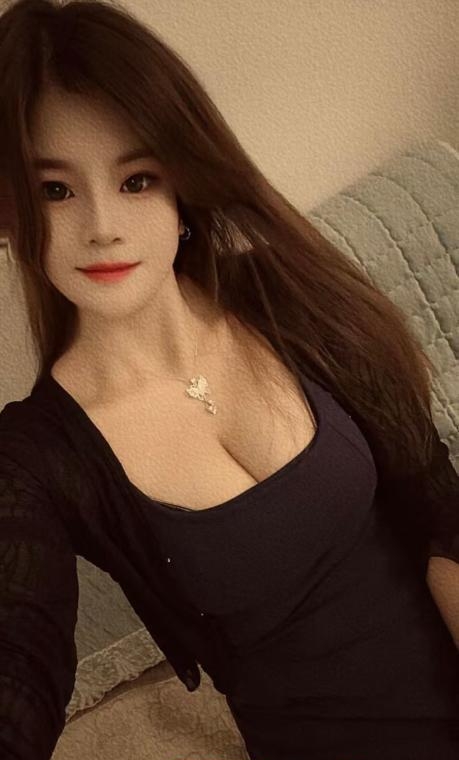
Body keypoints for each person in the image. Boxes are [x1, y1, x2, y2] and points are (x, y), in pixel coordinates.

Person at [0, 2, 458, 759]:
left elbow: (437, 502)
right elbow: (19, 662)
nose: (102, 224)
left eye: (137, 179)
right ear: (12, 209)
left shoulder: (287, 294)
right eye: (56, 190)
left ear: (182, 186)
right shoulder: (36, 457)